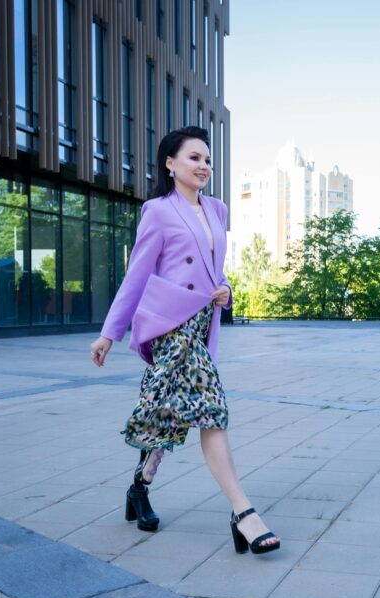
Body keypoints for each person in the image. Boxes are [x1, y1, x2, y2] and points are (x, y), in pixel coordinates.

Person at [89, 126, 279, 556]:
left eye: (208, 159)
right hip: (171, 329)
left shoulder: (218, 210)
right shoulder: (157, 211)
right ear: (170, 164)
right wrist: (108, 333)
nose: (204, 166)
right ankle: (243, 512)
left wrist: (225, 288)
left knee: (169, 417)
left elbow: (215, 268)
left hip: (200, 326)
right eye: (194, 158)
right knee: (210, 412)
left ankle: (140, 487)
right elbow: (138, 274)